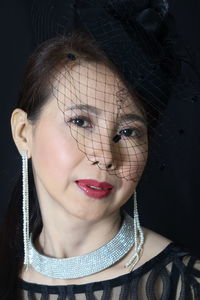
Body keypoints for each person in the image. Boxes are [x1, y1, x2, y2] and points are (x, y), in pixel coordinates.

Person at [1, 1, 200, 299]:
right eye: (81, 121)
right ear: (23, 133)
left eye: (128, 132)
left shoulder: (183, 284)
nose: (106, 156)